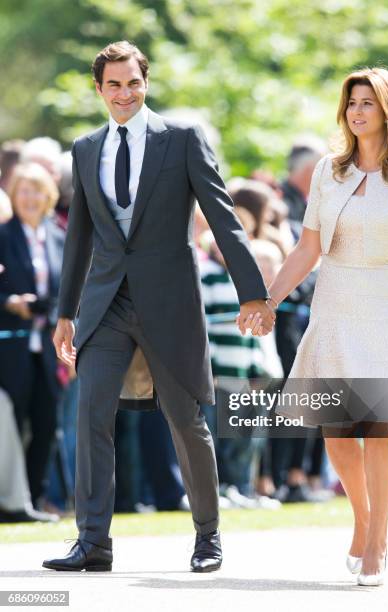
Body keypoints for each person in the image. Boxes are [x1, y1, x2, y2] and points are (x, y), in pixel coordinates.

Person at [42, 40, 275, 574]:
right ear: (98, 89)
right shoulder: (84, 148)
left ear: (145, 83)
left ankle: (207, 537)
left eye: (133, 83)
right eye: (114, 85)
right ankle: (93, 543)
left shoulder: (182, 139)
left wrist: (253, 293)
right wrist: (65, 312)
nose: (124, 93)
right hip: (105, 304)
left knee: (184, 418)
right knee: (92, 415)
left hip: (169, 302)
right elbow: (79, 237)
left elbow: (222, 216)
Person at [265, 67, 388, 586]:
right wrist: (270, 298)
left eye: (367, 102)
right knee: (336, 426)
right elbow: (308, 247)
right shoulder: (329, 169)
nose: (357, 112)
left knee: (377, 423)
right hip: (336, 303)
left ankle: (377, 538)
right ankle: (364, 519)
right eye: (352, 103)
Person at [0, 162, 65, 508]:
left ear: (48, 196)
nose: (29, 197)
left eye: (36, 190)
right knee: (14, 422)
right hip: (12, 346)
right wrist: (11, 301)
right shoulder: (3, 235)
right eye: (23, 190)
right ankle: (10, 501)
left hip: (49, 346)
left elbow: (71, 289)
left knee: (46, 423)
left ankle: (33, 499)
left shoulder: (58, 236)